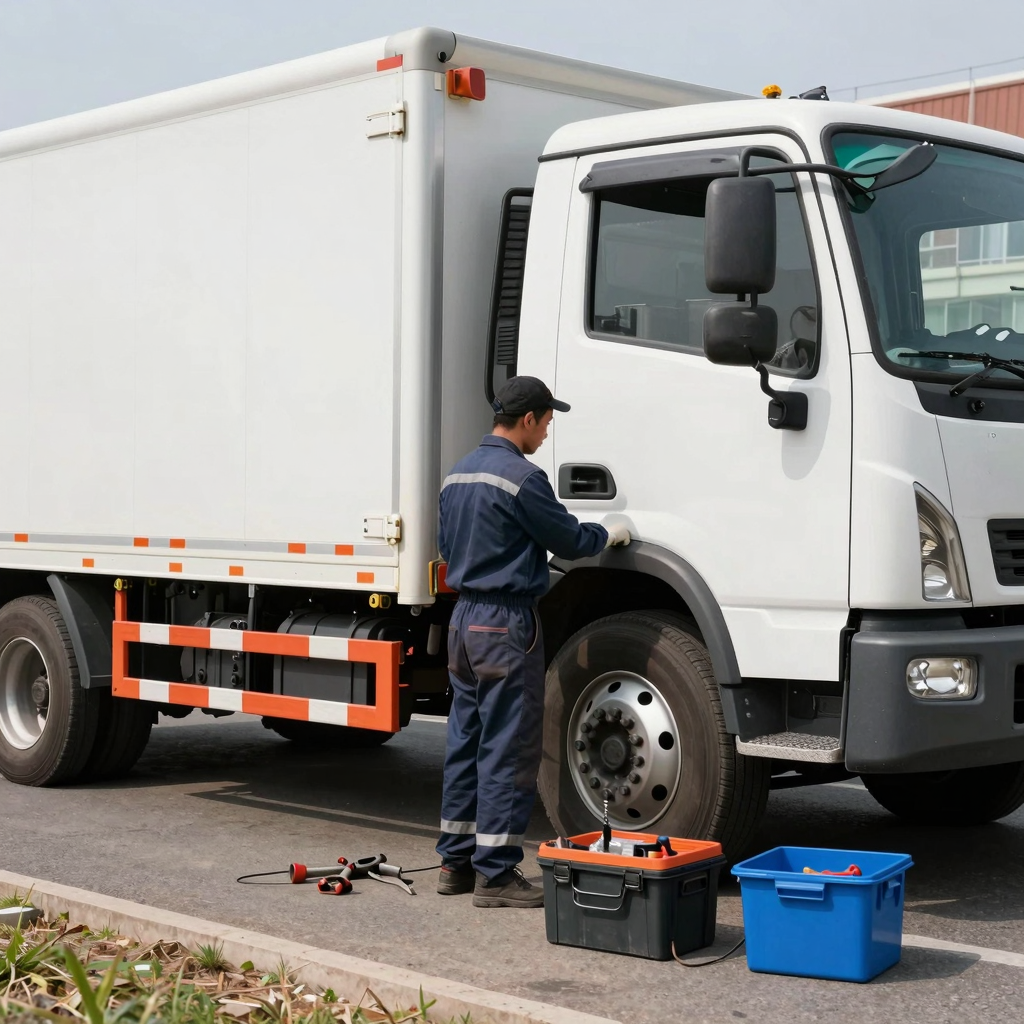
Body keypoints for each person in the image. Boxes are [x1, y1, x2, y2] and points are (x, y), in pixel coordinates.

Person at [435, 375, 631, 908]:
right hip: (505, 624)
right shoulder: (523, 477)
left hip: (463, 622)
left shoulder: (456, 475)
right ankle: (495, 875)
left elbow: (447, 547)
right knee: (508, 749)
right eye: (546, 422)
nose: (546, 433)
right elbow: (567, 539)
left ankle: (455, 863)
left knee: (466, 742)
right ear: (527, 420)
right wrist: (607, 534)